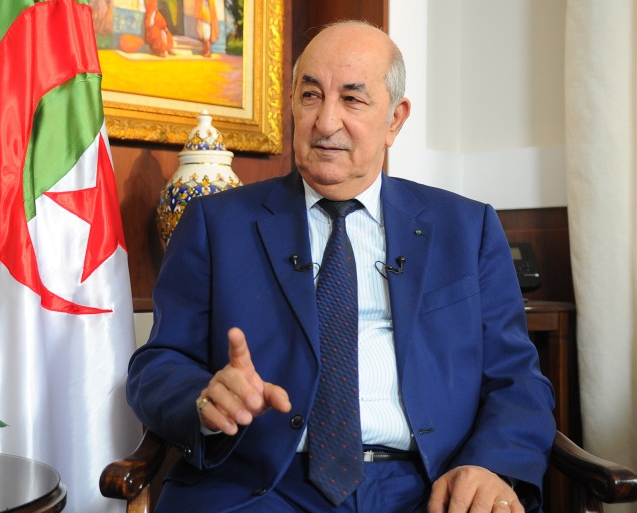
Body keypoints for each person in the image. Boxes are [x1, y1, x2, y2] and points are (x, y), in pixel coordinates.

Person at [127, 20, 556, 513]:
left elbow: (517, 379)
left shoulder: (466, 228)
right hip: (261, 484)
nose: (326, 121)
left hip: (427, 483)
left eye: (352, 99)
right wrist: (205, 398)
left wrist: (489, 466)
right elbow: (156, 366)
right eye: (311, 96)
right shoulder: (216, 224)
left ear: (395, 119)